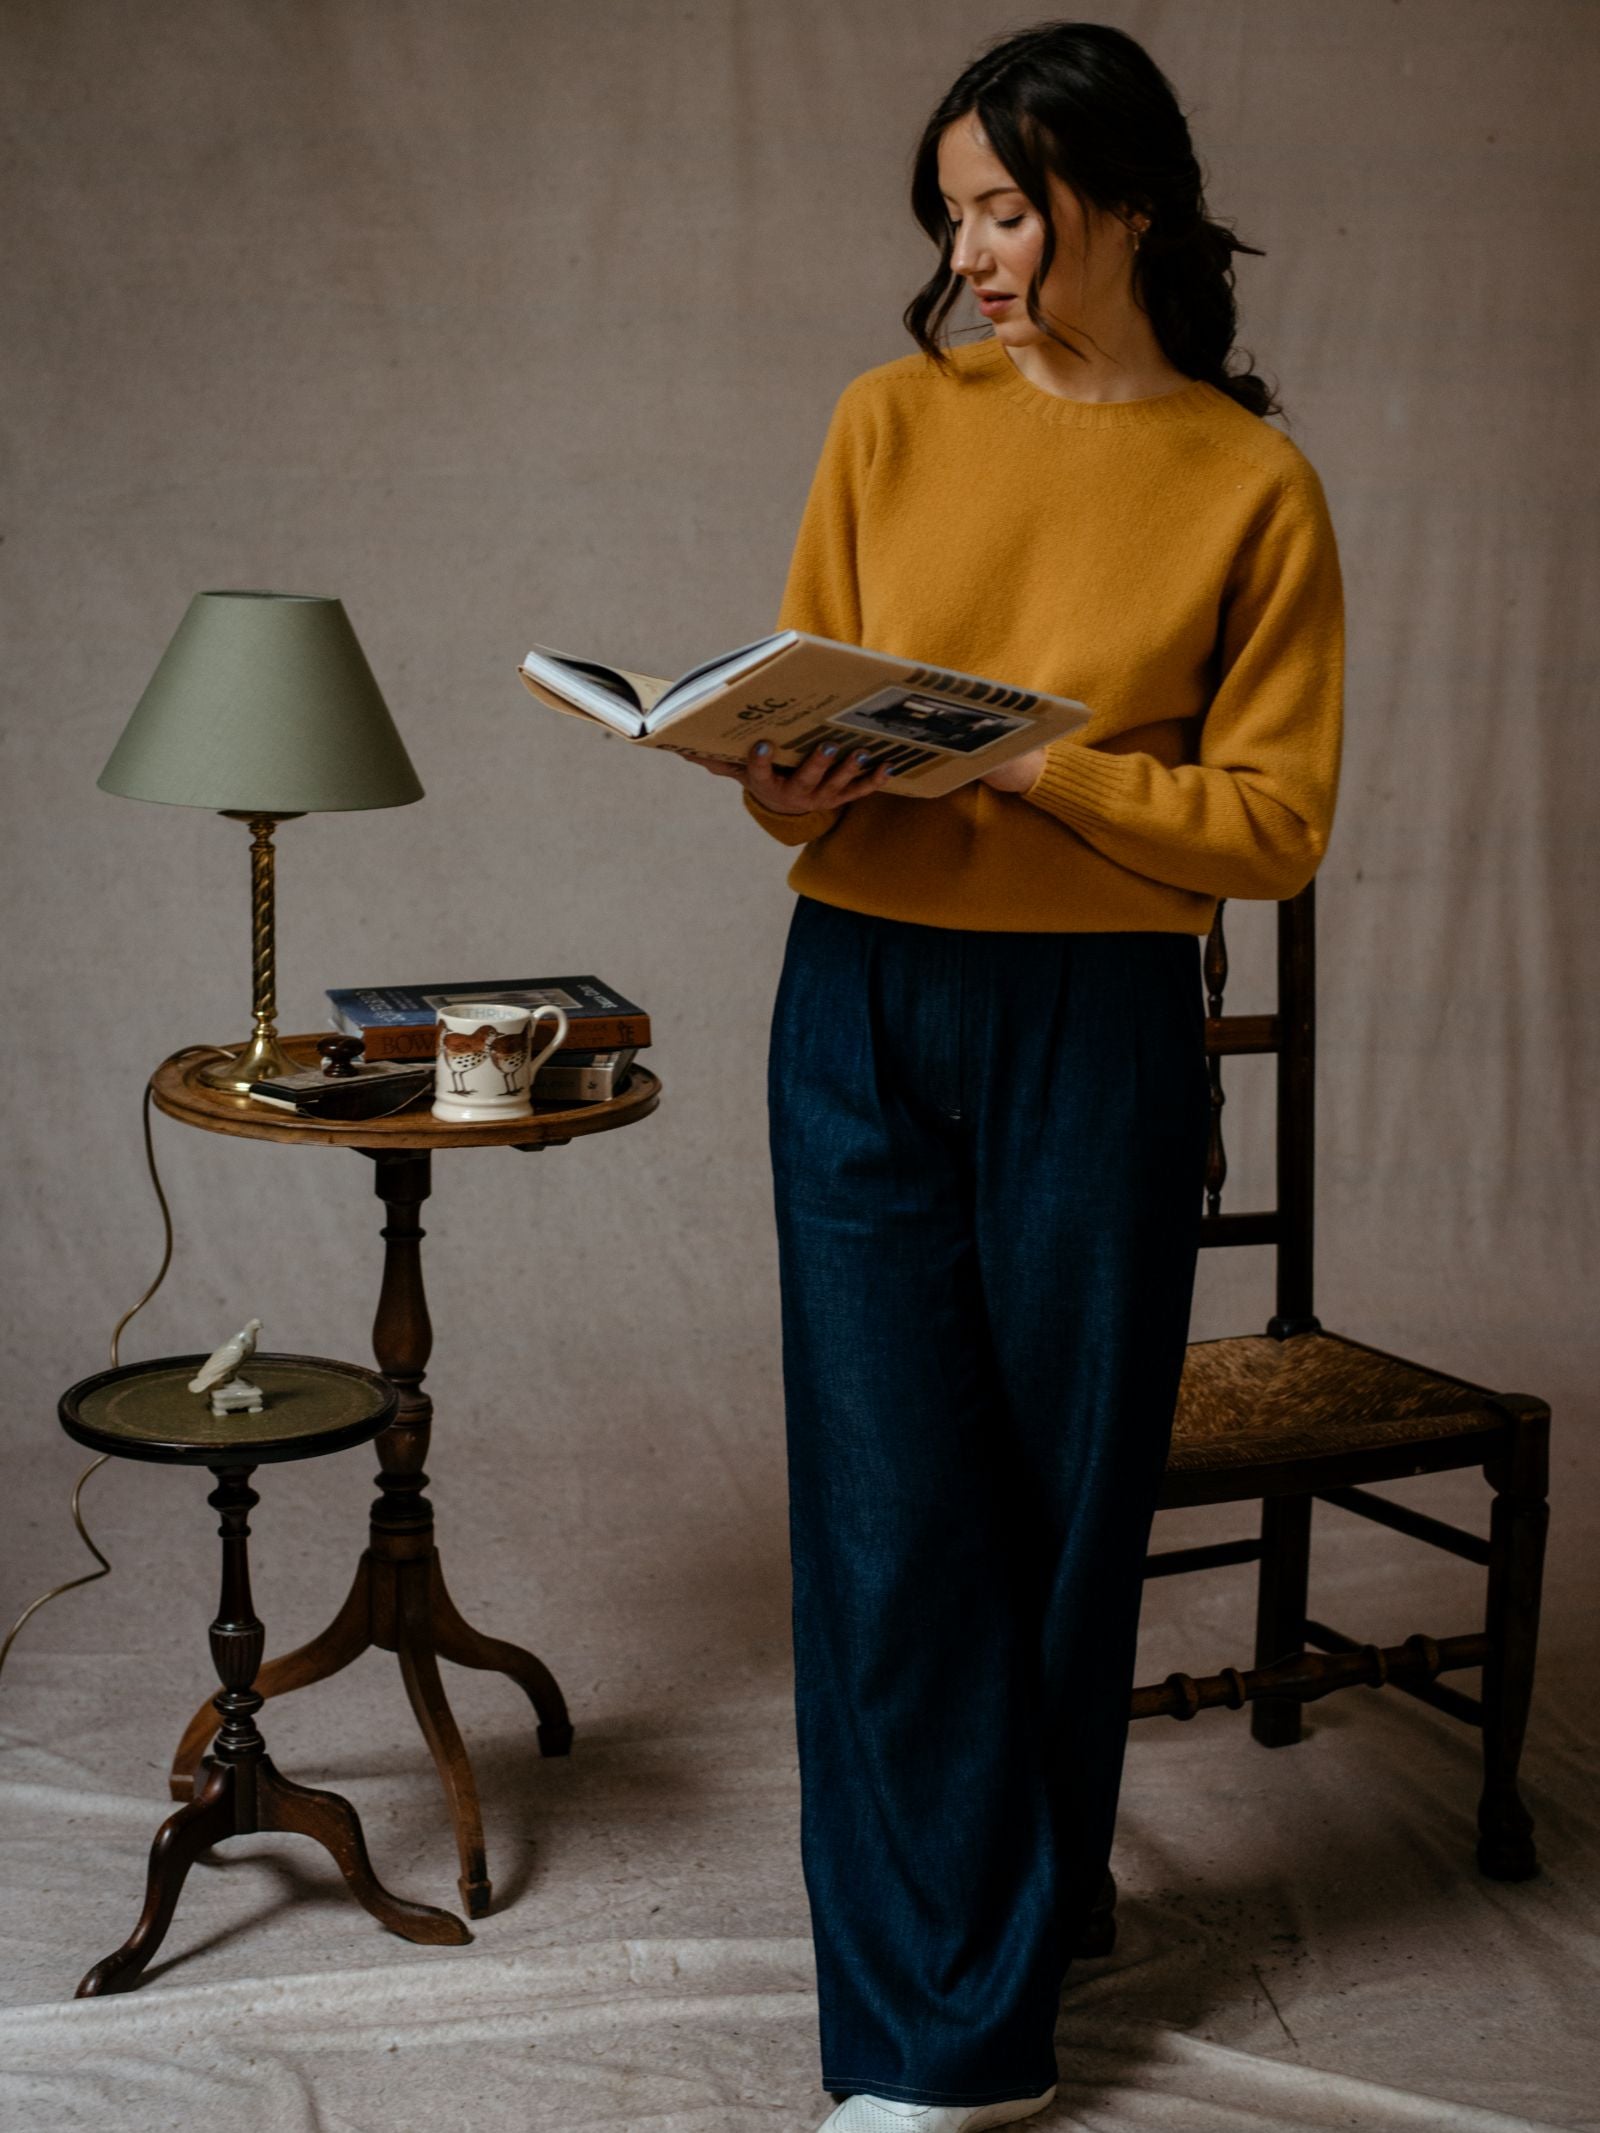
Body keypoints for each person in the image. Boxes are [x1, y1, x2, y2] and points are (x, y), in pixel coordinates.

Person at [682, 21, 1343, 2131]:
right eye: (949, 212)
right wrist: (777, 770)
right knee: (891, 1518)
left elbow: (1269, 826)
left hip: (1099, 1033)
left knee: (1057, 1517)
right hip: (860, 999)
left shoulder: (1250, 480)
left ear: (1121, 201)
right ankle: (928, 2043)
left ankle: (1024, 1901)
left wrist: (1041, 764)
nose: (969, 249)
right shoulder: (885, 420)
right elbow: (796, 788)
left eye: (1001, 206)